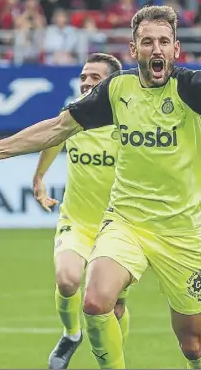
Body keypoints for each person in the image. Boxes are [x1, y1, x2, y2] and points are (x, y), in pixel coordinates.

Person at [0, 5, 201, 370]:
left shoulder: (189, 86)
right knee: (94, 301)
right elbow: (58, 128)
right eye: (147, 41)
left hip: (180, 232)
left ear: (176, 49)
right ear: (133, 48)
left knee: (193, 344)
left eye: (163, 41)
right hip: (126, 221)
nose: (156, 49)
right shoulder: (116, 89)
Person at [32, 53, 130, 369]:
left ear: (112, 84)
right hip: (77, 221)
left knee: (112, 307)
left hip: (118, 228)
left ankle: (113, 358)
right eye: (84, 76)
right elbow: (51, 138)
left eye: (95, 78)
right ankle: (71, 334)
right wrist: (39, 178)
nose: (86, 82)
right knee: (67, 280)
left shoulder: (128, 121)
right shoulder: (73, 115)